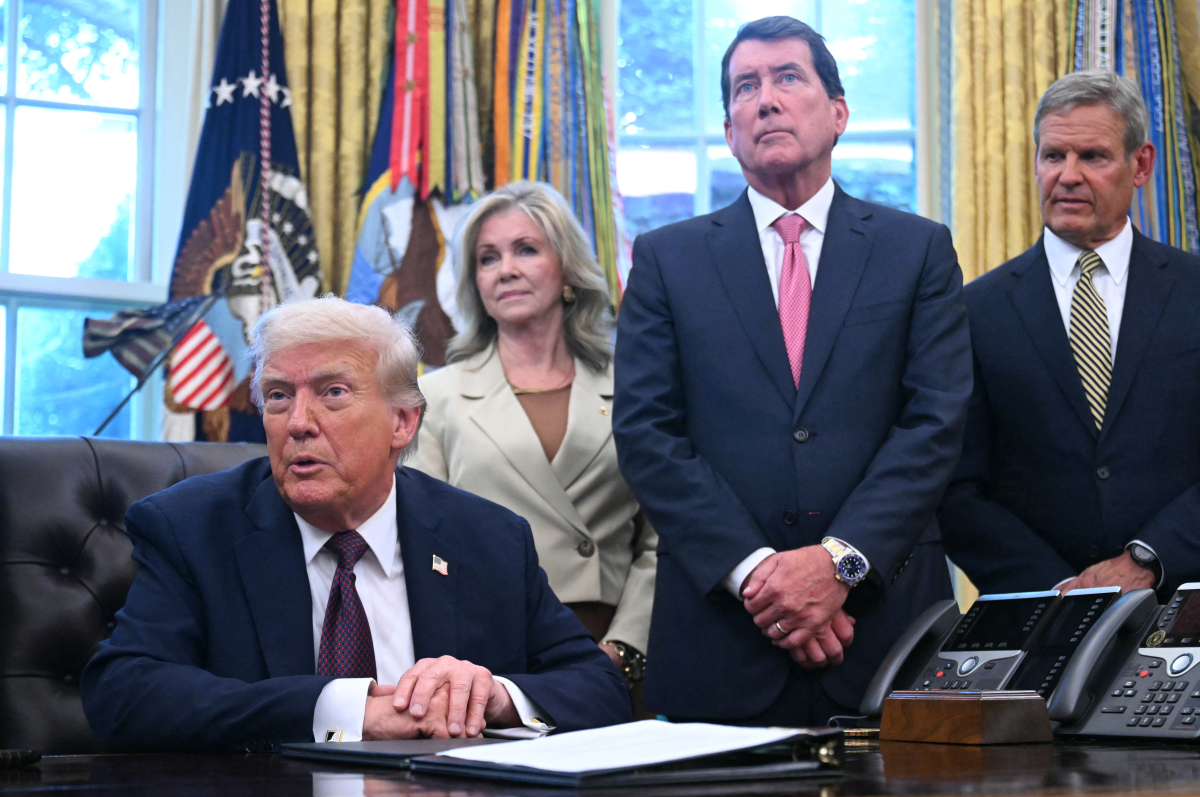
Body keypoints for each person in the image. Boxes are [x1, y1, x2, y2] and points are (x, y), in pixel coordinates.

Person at [612, 15, 972, 726]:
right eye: (746, 87)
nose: (767, 99)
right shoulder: (665, 260)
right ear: (729, 131)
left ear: (838, 113)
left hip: (886, 628)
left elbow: (935, 422)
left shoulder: (917, 250)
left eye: (787, 78)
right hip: (723, 639)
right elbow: (647, 436)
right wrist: (762, 580)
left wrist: (838, 563)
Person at [81, 296, 631, 752]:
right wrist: (347, 710)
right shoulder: (192, 528)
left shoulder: (487, 537)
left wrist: (495, 698)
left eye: (333, 393)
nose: (299, 423)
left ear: (402, 421)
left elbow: (599, 688)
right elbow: (123, 694)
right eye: (278, 396)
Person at [940, 71, 1200, 596]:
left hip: (1182, 606)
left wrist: (1150, 557)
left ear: (1141, 165)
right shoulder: (974, 310)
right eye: (1053, 156)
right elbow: (956, 489)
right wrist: (1060, 590)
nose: (1068, 176)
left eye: (1093, 157)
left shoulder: (1193, 290)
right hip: (1040, 614)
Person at [409, 181, 656, 697]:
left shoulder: (635, 386)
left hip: (609, 652)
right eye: (487, 258)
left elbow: (662, 540)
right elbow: (420, 547)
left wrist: (624, 649)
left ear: (566, 268)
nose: (506, 269)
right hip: (483, 661)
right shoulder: (435, 397)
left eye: (526, 249)